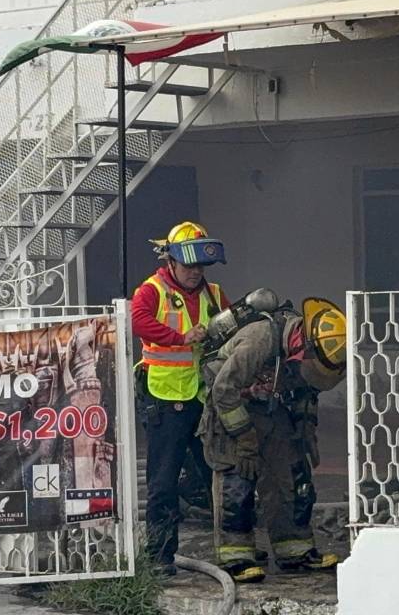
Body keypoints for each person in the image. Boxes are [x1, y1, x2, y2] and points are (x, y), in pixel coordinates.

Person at [200, 295, 345, 583]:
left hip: (269, 408)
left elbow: (306, 390)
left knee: (291, 473)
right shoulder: (259, 340)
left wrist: (305, 429)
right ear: (302, 345)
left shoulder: (306, 349)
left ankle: (294, 550)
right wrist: (243, 437)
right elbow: (222, 391)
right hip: (231, 409)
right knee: (237, 480)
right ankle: (236, 557)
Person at [130, 221, 231, 575]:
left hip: (204, 397)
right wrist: (179, 337)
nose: (194, 273)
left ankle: (234, 551)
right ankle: (160, 557)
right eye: (188, 266)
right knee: (163, 481)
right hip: (165, 397)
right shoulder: (152, 290)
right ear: (171, 261)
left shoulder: (214, 293)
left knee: (218, 474)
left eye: (200, 266)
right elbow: (135, 320)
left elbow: (231, 331)